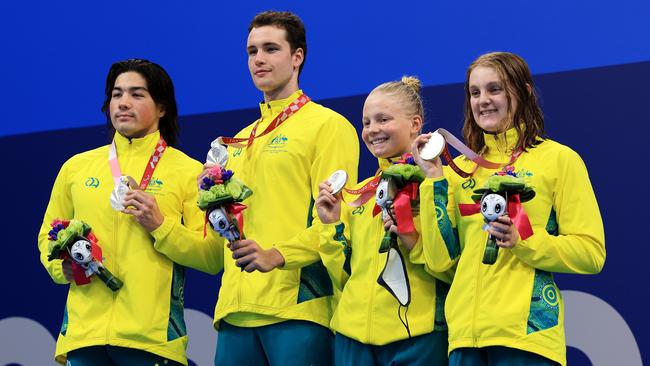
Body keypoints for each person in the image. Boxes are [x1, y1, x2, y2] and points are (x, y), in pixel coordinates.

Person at [413, 51, 606, 366]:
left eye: (495, 89)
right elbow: (439, 260)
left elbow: (591, 252)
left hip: (527, 337)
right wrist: (433, 179)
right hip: (464, 339)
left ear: (524, 92)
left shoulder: (558, 160)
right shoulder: (458, 171)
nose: (483, 100)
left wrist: (524, 240)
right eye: (475, 92)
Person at [37, 59, 222, 365]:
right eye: (116, 94)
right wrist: (62, 267)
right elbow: (47, 237)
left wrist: (161, 225)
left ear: (162, 107)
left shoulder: (190, 172)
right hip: (84, 338)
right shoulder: (75, 168)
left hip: (151, 340)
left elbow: (212, 256)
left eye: (137, 94)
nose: (123, 103)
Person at [207, 10, 359, 366]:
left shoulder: (327, 126)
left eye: (271, 49)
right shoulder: (239, 140)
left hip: (299, 307)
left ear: (297, 57)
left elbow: (337, 221)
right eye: (252, 51)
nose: (258, 59)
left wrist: (277, 254)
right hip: (235, 310)